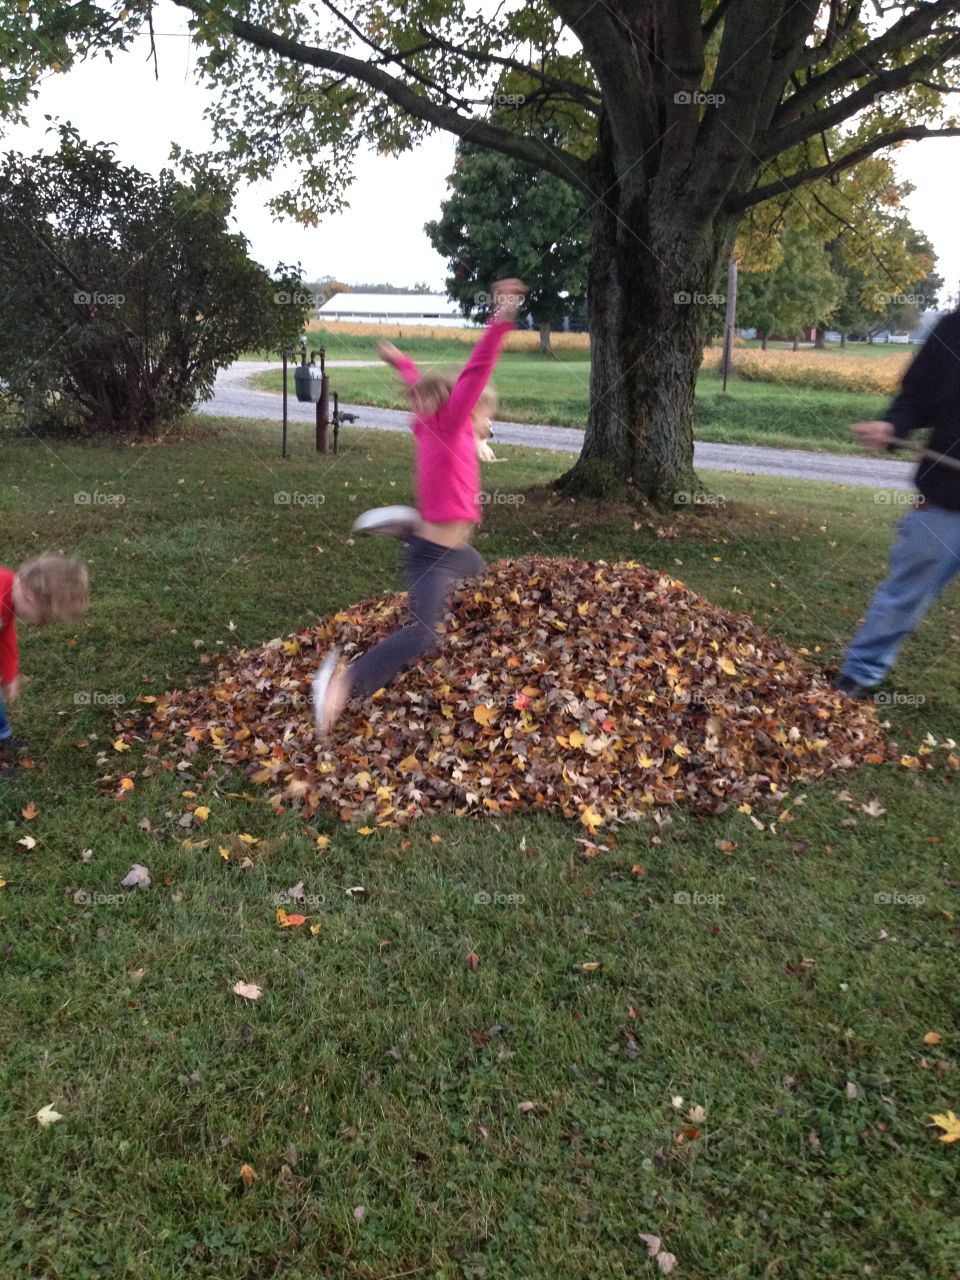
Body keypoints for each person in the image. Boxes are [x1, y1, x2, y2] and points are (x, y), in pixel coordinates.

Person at [312, 277, 527, 735]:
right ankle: (342, 683)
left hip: (455, 551)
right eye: (485, 413)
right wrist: (501, 319)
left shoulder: (429, 425)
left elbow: (418, 384)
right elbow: (476, 371)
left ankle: (411, 524)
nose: (489, 421)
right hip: (432, 557)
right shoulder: (448, 425)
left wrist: (402, 362)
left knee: (483, 575)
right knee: (423, 633)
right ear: (463, 409)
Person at [836, 309, 960, 698]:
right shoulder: (954, 329)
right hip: (944, 498)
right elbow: (917, 396)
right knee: (903, 595)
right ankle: (860, 675)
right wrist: (893, 426)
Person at [1, 555, 90, 776]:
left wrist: (9, 675)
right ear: (30, 596)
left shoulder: (8, 597)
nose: (35, 622)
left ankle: (2, 737)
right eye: (41, 618)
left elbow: (5, 636)